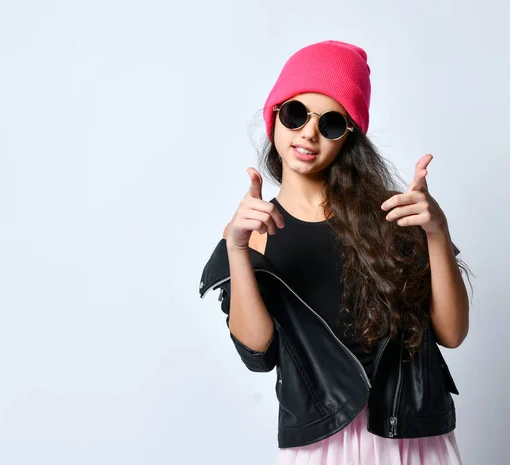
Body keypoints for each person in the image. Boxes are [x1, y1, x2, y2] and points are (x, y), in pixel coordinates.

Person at [198, 40, 472, 464]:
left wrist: (437, 232)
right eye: (295, 114)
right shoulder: (251, 231)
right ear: (274, 116)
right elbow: (258, 355)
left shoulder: (391, 214)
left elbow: (452, 334)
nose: (308, 132)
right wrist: (237, 248)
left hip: (408, 437)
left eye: (330, 123)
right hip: (321, 445)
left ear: (348, 138)